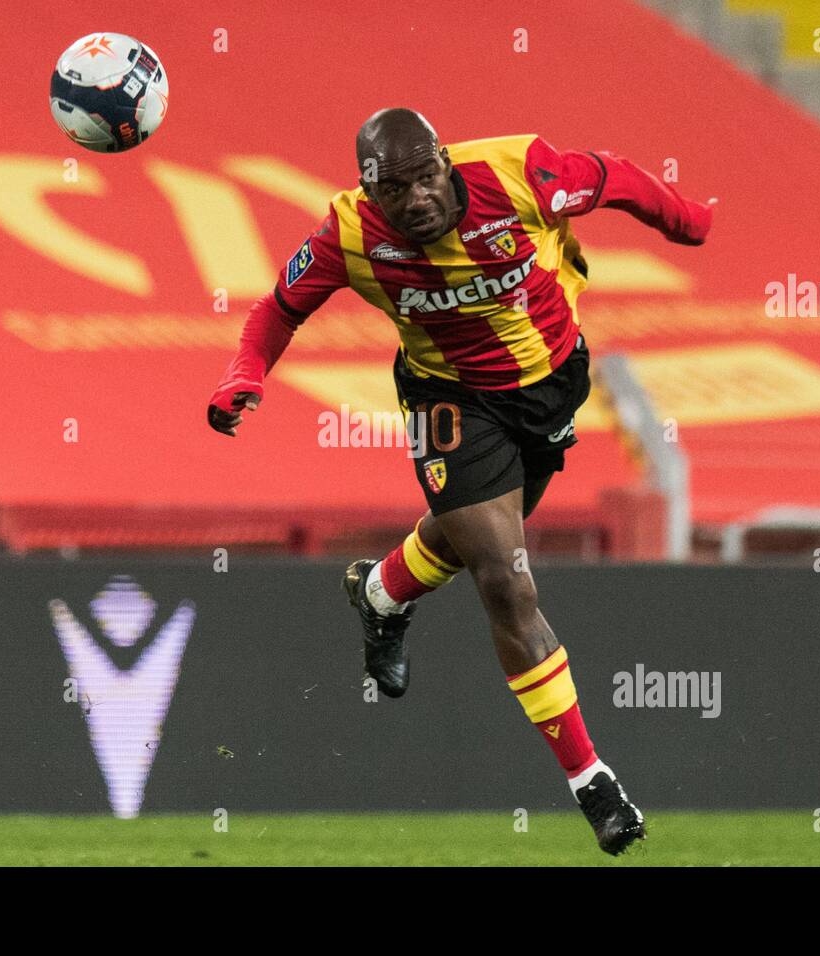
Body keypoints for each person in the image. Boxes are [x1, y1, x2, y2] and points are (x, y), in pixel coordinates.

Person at [208, 108, 713, 854]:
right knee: (506, 580)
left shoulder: (518, 174)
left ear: (444, 163)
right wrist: (243, 374)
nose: (414, 199)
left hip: (550, 383)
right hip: (448, 401)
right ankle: (592, 782)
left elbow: (614, 177)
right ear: (368, 193)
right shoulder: (347, 235)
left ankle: (381, 591)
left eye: (424, 178)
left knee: (479, 540)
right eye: (394, 190)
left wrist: (686, 221)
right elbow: (277, 310)